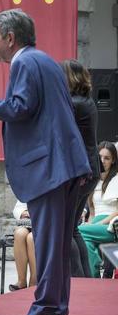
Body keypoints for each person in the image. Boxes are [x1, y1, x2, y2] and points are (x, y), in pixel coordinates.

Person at [0, 9, 91, 315]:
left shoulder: (23, 62)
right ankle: (55, 311)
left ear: (10, 39)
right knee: (55, 244)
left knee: (47, 242)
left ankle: (45, 310)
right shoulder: (44, 60)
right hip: (63, 164)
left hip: (50, 166)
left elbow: (19, 107)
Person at [62, 59, 99, 278]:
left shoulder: (74, 104)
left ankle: (77, 281)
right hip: (88, 169)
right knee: (73, 229)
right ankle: (86, 279)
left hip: (81, 172)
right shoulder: (85, 100)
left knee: (65, 232)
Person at [79, 142, 118, 277]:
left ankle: (93, 272)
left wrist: (100, 223)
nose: (102, 161)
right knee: (86, 242)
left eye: (107, 158)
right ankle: (94, 279)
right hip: (96, 225)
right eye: (100, 157)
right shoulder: (93, 180)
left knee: (77, 231)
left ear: (113, 160)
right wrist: (91, 222)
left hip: (112, 225)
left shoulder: (116, 180)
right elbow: (93, 210)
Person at [9, 201, 36, 292]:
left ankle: (34, 281)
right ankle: (21, 281)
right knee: (19, 233)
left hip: (46, 221)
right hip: (28, 221)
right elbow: (18, 207)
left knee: (31, 238)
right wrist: (23, 212)